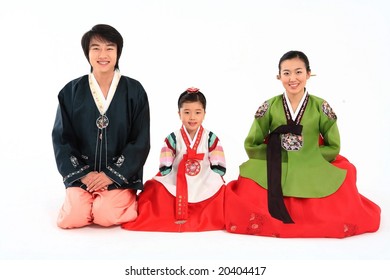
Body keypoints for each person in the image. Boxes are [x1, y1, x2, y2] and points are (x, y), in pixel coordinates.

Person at [224, 50, 381, 238]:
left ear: (308, 73)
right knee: (249, 179)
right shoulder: (269, 106)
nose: (293, 78)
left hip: (312, 159)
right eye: (286, 73)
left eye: (298, 72)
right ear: (279, 76)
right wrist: (276, 156)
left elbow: (333, 145)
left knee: (345, 174)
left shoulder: (320, 106)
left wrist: (311, 157)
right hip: (278, 161)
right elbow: (252, 143)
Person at [52, 24, 150, 229]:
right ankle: (84, 201)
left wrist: (110, 175)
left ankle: (115, 201)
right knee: (71, 219)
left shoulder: (135, 91)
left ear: (118, 52)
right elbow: (62, 139)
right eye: (95, 48)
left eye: (109, 48)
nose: (102, 54)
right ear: (87, 53)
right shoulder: (70, 92)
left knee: (104, 215)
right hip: (83, 175)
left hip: (119, 178)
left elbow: (139, 140)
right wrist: (84, 174)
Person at [122, 87, 226, 232]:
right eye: (187, 112)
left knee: (219, 189)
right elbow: (166, 160)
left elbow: (217, 161)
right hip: (178, 178)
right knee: (156, 191)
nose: (192, 117)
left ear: (204, 114)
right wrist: (166, 172)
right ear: (179, 114)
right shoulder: (173, 137)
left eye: (197, 112)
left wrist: (215, 175)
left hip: (203, 177)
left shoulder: (210, 137)